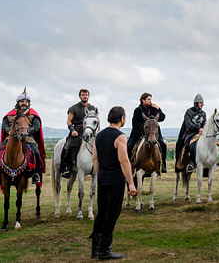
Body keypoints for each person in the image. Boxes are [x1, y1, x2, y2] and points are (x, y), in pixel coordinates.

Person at [90, 106, 137, 260]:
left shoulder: (100, 135)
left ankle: (95, 250)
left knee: (101, 213)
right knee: (112, 214)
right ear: (122, 118)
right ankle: (105, 250)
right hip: (116, 181)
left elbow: (95, 159)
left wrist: (100, 175)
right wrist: (131, 183)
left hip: (102, 179)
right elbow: (124, 161)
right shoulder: (120, 136)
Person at [0, 88, 46, 186]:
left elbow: (37, 125)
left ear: (28, 103)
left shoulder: (32, 114)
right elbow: (4, 125)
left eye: (26, 102)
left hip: (27, 138)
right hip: (12, 138)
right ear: (18, 102)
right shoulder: (11, 114)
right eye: (22, 101)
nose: (24, 103)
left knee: (36, 151)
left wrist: (30, 130)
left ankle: (36, 173)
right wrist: (8, 130)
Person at [61, 89, 99, 179]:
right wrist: (73, 130)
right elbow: (69, 121)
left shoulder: (93, 108)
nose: (84, 96)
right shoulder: (73, 108)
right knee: (70, 146)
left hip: (90, 131)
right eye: (83, 95)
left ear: (88, 96)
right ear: (80, 96)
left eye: (86, 95)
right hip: (77, 131)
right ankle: (68, 167)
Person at [127, 93, 167, 173]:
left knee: (163, 145)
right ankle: (130, 165)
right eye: (148, 99)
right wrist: (146, 126)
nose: (150, 101)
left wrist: (159, 109)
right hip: (139, 134)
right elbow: (135, 124)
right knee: (129, 146)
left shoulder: (154, 109)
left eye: (150, 99)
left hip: (153, 134)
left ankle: (162, 165)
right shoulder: (138, 110)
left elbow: (162, 117)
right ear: (143, 100)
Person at [176, 94, 207, 173]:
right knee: (187, 145)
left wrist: (202, 129)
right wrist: (198, 128)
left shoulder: (203, 113)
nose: (202, 104)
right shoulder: (189, 112)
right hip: (190, 133)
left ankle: (208, 163)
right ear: (196, 103)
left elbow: (205, 123)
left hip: (201, 133)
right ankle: (188, 164)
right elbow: (188, 124)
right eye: (200, 103)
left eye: (202, 103)